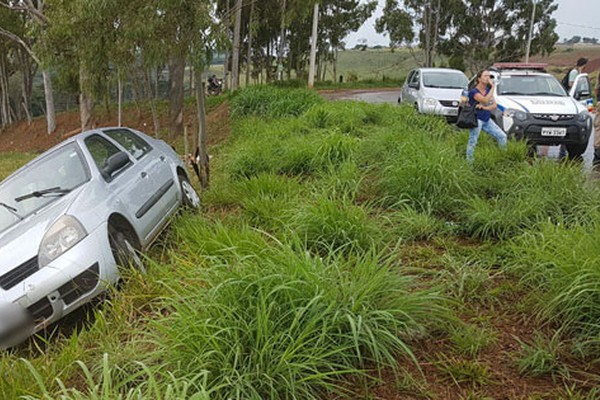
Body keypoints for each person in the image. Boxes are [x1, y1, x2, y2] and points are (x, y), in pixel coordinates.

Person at [466, 70, 507, 163]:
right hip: (477, 119)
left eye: (489, 76)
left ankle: (503, 159)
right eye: (485, 76)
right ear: (479, 79)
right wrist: (493, 87)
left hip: (486, 119)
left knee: (502, 136)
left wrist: (484, 108)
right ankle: (469, 163)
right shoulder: (474, 92)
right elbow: (484, 100)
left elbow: (494, 105)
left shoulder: (488, 91)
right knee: (473, 141)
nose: (488, 78)